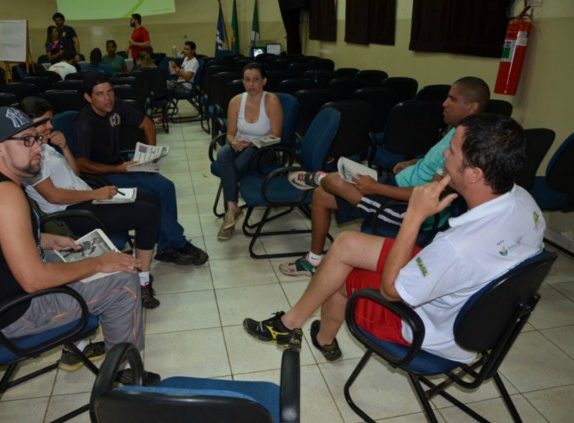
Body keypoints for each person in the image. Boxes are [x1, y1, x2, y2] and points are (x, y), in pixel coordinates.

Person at [244, 113, 546, 364]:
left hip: (422, 329)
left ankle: (319, 338)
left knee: (337, 278)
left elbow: (390, 291)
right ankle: (290, 326)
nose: (444, 153)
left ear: (475, 174)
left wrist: (414, 216)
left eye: (452, 151)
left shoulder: (457, 247)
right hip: (464, 289)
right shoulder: (523, 201)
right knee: (346, 243)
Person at [0, 107, 159, 384]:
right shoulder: (6, 195)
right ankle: (121, 373)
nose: (37, 147)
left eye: (36, 139)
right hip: (13, 314)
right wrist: (98, 263)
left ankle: (78, 346)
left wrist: (45, 239)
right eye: (26, 140)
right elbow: (34, 280)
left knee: (92, 257)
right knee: (122, 280)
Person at [281, 76, 490, 277]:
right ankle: (313, 261)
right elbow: (435, 164)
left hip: (405, 209)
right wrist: (413, 163)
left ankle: (318, 177)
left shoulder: (464, 145)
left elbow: (431, 196)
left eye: (452, 99)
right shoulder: (456, 132)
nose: (444, 103)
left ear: (471, 107)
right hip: (397, 185)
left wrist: (376, 188)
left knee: (333, 181)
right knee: (320, 196)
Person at [18, 96, 161, 309]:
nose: (50, 126)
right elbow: (53, 196)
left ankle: (137, 262)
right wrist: (96, 195)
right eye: (44, 122)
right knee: (147, 213)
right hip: (72, 214)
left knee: (150, 197)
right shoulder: (29, 156)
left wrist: (65, 148)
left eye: (50, 120)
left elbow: (75, 174)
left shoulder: (44, 145)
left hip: (85, 198)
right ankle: (143, 282)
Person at [73, 72, 208, 266]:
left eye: (110, 91)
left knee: (166, 187)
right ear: (88, 98)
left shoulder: (116, 106)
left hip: (123, 166)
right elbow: (81, 164)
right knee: (149, 196)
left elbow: (148, 124)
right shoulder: (84, 123)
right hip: (102, 177)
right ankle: (179, 242)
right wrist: (119, 169)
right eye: (100, 94)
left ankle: (165, 247)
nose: (108, 98)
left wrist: (149, 158)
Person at [215, 62, 283, 240]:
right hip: (240, 146)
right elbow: (229, 134)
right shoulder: (236, 101)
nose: (251, 84)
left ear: (264, 81)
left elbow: (276, 136)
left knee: (233, 166)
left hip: (263, 150)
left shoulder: (272, 101)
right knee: (223, 153)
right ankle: (232, 208)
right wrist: (235, 141)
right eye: (247, 80)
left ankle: (230, 212)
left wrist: (251, 144)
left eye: (255, 80)